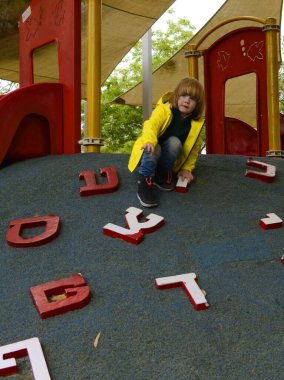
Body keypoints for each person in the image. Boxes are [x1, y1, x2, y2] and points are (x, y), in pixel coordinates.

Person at [128, 77, 205, 207]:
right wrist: (149, 141)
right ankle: (144, 184)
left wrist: (187, 169)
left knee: (175, 142)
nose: (187, 101)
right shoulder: (164, 110)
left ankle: (161, 174)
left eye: (192, 99)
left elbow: (194, 149)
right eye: (184, 95)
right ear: (176, 96)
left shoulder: (195, 124)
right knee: (155, 148)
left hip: (167, 159)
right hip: (151, 151)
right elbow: (150, 125)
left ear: (198, 104)